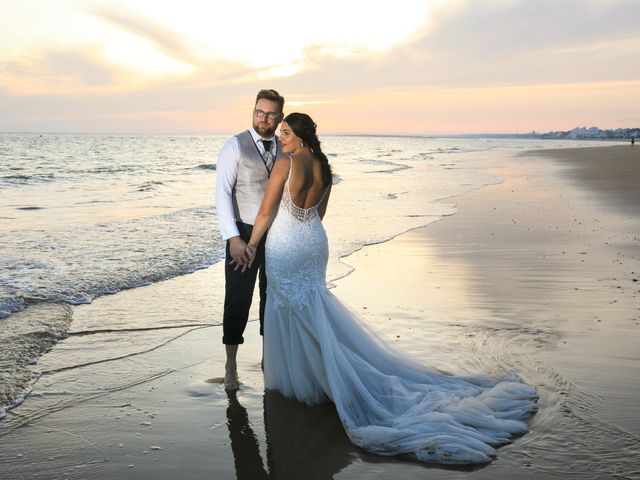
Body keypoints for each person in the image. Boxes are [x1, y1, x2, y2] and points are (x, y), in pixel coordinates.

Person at [245, 113, 538, 464]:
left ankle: (311, 385)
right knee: (313, 307)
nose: (282, 139)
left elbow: (265, 212)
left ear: (302, 135)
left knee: (288, 308)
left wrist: (250, 245)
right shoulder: (323, 166)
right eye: (281, 134)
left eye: (287, 133)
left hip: (287, 243)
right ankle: (323, 377)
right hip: (313, 241)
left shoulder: (285, 163)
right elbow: (318, 216)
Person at [215, 89, 285, 390]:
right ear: (253, 111)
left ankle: (269, 359)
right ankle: (230, 365)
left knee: (272, 300)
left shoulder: (286, 148)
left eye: (270, 114)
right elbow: (221, 195)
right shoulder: (234, 146)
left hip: (279, 236)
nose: (264, 118)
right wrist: (232, 238)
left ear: (279, 117)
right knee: (237, 301)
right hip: (242, 234)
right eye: (259, 111)